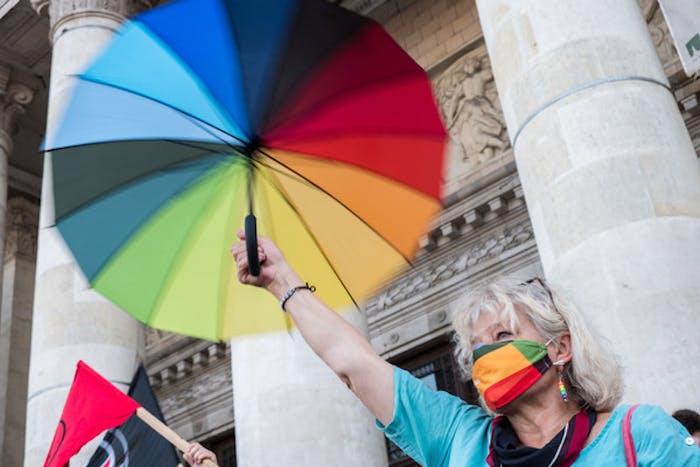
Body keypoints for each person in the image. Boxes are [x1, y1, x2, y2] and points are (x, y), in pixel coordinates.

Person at [229, 231, 700, 466]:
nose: (485, 357)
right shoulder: (460, 439)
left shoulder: (639, 436)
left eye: (502, 337)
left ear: (560, 348)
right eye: (476, 347)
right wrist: (282, 281)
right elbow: (353, 363)